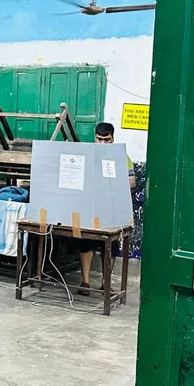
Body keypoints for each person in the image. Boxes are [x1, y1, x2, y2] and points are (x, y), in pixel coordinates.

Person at [78, 122, 135, 294]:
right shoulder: (86, 155)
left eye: (107, 140)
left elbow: (132, 182)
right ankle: (85, 282)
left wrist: (111, 182)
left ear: (113, 139)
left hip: (112, 209)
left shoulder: (122, 157)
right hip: (89, 207)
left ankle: (105, 282)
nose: (103, 143)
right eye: (99, 139)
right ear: (94, 138)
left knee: (109, 246)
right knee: (85, 243)